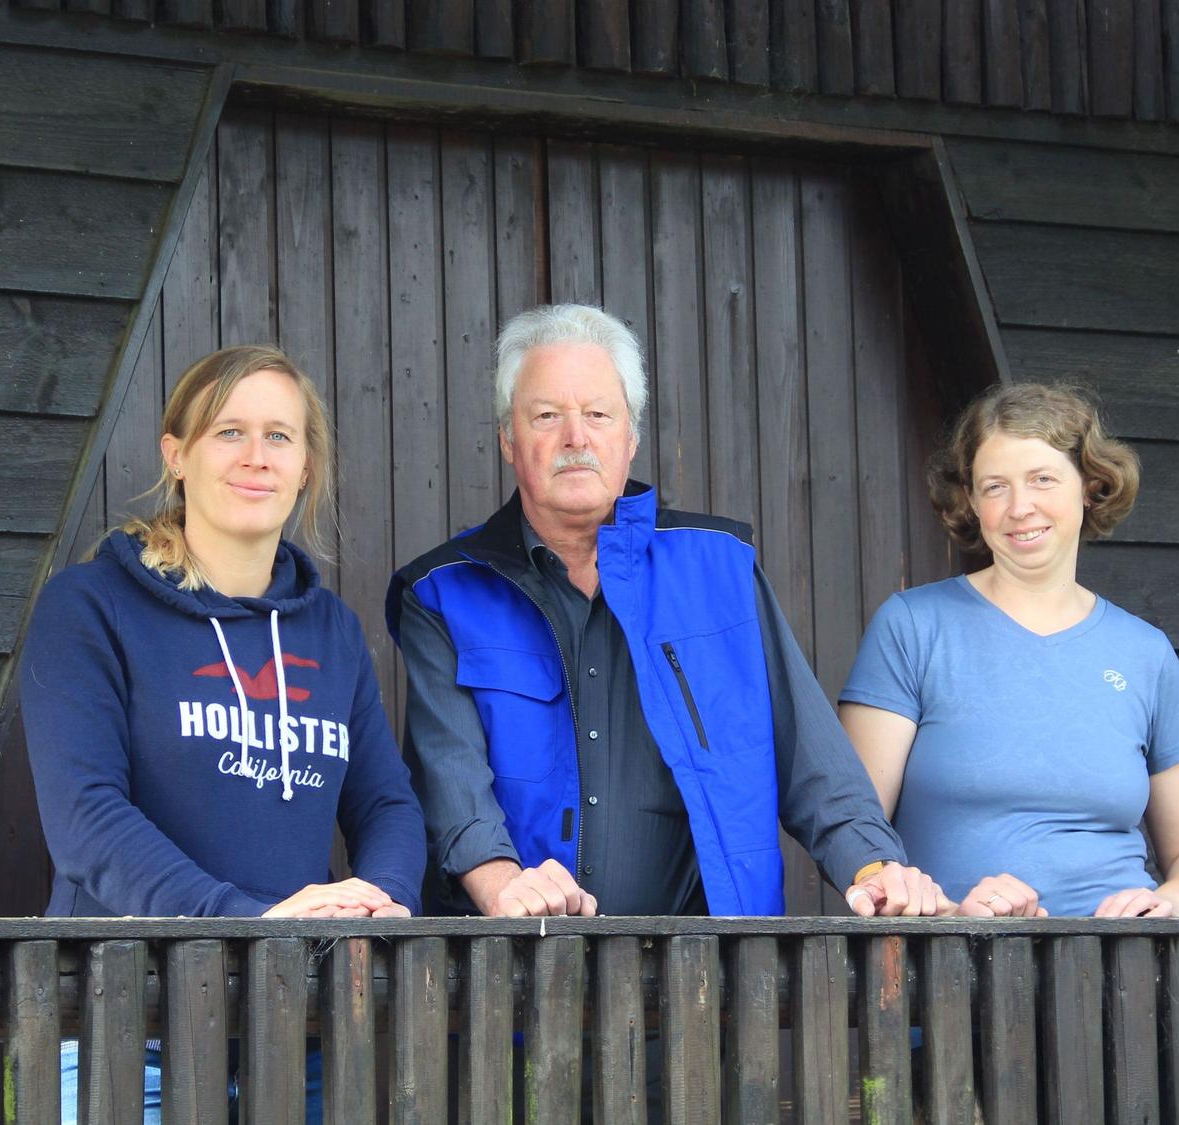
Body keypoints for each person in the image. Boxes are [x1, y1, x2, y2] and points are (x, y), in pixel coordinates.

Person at [386, 304, 946, 919]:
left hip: (707, 978)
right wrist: (502, 887)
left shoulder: (720, 570)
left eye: (598, 415)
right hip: (516, 973)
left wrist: (874, 867)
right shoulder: (444, 590)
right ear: (508, 440)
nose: (576, 438)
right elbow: (451, 778)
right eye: (546, 416)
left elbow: (813, 761)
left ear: (630, 439)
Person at [22, 345, 425, 1121]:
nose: (256, 456)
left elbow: (388, 806)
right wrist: (246, 921)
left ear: (306, 466)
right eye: (228, 431)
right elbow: (85, 820)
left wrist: (384, 902)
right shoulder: (90, 608)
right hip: (129, 1032)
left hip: (296, 1034)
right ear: (177, 454)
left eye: (280, 435)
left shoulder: (332, 631)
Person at [840, 382, 1179, 919]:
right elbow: (856, 832)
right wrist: (948, 914)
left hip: (1121, 968)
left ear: (1090, 486)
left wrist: (1170, 902)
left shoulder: (1145, 653)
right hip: (947, 966)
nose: (1020, 507)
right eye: (995, 486)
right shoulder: (913, 627)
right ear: (972, 502)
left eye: (1042, 479)